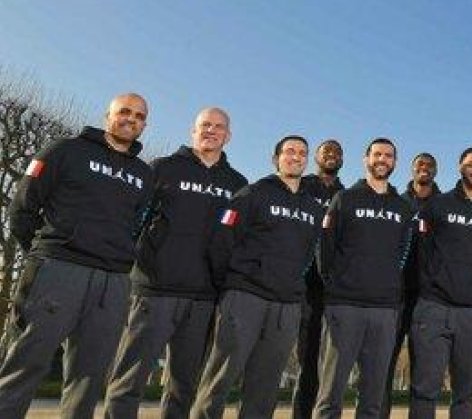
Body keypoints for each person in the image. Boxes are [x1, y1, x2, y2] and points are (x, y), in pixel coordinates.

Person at [0, 93, 153, 418]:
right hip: (58, 270)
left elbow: (138, 225)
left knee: (88, 376)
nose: (132, 119)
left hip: (112, 283)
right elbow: (22, 209)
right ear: (107, 115)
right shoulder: (64, 150)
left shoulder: (144, 175)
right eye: (124, 111)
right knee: (25, 362)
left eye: (140, 116)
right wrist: (45, 253)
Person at [105, 107, 248, 419]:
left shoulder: (238, 184)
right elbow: (133, 221)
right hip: (154, 291)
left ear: (228, 135)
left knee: (184, 388)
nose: (211, 131)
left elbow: (235, 241)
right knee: (128, 381)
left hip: (203, 299)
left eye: (218, 126)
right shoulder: (162, 168)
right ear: (192, 131)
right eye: (205, 125)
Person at [190, 135, 324, 419]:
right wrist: (234, 283)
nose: (296, 156)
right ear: (276, 158)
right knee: (220, 378)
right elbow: (222, 243)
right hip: (245, 298)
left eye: (302, 153)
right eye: (289, 151)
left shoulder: (313, 209)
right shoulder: (252, 193)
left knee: (265, 386)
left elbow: (310, 255)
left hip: (286, 305)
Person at [314, 138, 416, 419]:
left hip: (384, 310)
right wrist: (335, 284)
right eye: (377, 154)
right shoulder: (345, 198)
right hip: (344, 306)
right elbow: (325, 246)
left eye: (388, 155)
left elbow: (404, 251)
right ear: (366, 159)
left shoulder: (403, 207)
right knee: (331, 392)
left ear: (395, 162)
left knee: (372, 396)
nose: (382, 159)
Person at [409, 146, 472, 419]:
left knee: (468, 393)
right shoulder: (437, 204)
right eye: (471, 164)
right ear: (459, 166)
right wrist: (431, 283)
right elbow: (420, 250)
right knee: (424, 388)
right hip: (434, 307)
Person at [384, 152, 442, 419]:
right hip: (394, 295)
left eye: (429, 165)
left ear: (436, 171)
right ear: (411, 169)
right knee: (382, 365)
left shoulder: (445, 206)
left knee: (424, 369)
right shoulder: (397, 202)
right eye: (420, 164)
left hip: (429, 297)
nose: (424, 168)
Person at [295, 139, 346, 419]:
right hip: (298, 285)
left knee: (327, 363)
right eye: (327, 150)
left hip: (330, 289)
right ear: (316, 156)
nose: (332, 155)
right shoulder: (302, 186)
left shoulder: (346, 195)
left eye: (337, 152)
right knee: (305, 363)